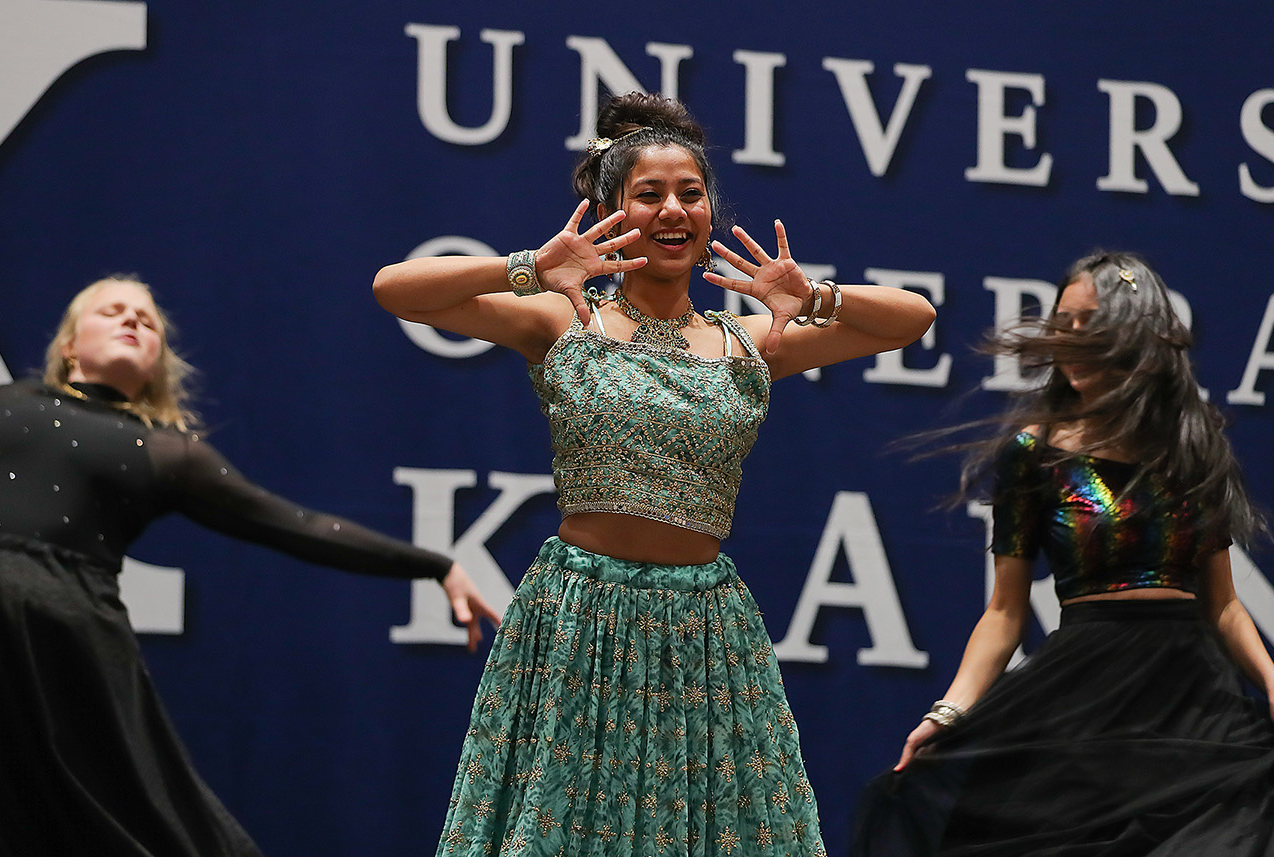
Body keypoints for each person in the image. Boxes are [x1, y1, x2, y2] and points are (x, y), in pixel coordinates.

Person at [373, 92, 935, 856]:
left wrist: (813, 297)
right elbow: (394, 288)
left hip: (704, 633)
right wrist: (528, 269)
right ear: (613, 212)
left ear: (709, 213)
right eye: (650, 194)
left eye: (690, 193)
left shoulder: (749, 342)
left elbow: (913, 318)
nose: (673, 209)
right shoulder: (567, 321)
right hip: (581, 617)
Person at [0, 276, 499, 857]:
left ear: (157, 363)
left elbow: (299, 525)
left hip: (66, 635)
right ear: (70, 344)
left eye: (147, 321)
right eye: (112, 311)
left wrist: (436, 564)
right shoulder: (10, 402)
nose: (132, 321)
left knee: (124, 809)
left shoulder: (167, 450)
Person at [850, 252, 1274, 856]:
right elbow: (1004, 612)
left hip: (1192, 699)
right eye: (1062, 322)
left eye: (1089, 324)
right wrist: (947, 713)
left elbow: (1224, 604)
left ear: (1134, 330)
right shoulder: (1034, 453)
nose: (1069, 339)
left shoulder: (1191, 444)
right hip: (1084, 694)